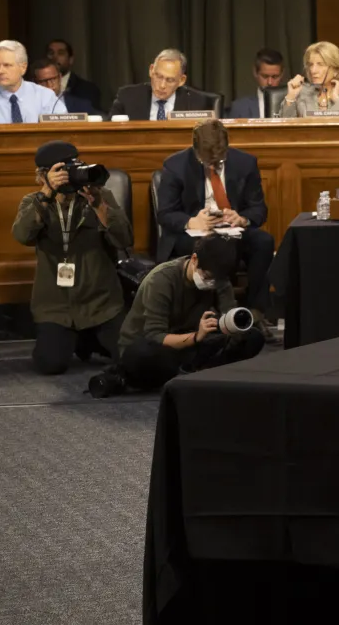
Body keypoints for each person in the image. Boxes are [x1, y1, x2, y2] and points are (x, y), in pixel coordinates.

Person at [12, 140, 132, 375]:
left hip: (101, 303)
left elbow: (125, 239)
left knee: (131, 358)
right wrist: (47, 194)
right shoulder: (34, 202)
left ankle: (88, 340)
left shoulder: (100, 196)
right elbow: (22, 235)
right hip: (57, 307)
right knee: (50, 364)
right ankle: (76, 340)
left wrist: (99, 206)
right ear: (42, 176)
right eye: (60, 172)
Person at [96, 234, 266, 395]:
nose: (211, 283)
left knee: (252, 337)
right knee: (145, 354)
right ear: (194, 260)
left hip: (189, 344)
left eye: (216, 280)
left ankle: (199, 373)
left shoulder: (218, 279)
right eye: (207, 276)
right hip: (153, 346)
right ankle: (188, 373)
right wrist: (196, 337)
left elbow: (229, 314)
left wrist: (234, 328)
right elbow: (155, 335)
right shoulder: (162, 279)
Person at [155, 119, 275, 327]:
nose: (214, 166)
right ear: (195, 151)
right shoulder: (175, 166)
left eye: (219, 161)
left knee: (264, 241)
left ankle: (256, 310)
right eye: (207, 162)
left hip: (232, 230)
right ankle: (220, 310)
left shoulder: (245, 163)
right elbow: (165, 213)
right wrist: (192, 221)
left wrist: (242, 218)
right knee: (214, 248)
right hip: (192, 235)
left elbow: (259, 209)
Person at [0, 40, 65, 123]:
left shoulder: (45, 96)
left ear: (23, 68)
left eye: (7, 65)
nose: (0, 71)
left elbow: (63, 130)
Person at [109, 48, 211, 119]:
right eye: (158, 76)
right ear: (151, 70)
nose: (162, 85)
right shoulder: (127, 97)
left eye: (170, 80)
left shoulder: (196, 103)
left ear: (182, 80)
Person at [279, 41, 339, 117]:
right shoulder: (301, 93)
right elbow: (283, 126)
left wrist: (337, 99)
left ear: (336, 70)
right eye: (311, 64)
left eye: (320, 64)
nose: (313, 70)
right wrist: (291, 96)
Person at [227, 49, 287, 119]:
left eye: (275, 77)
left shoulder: (292, 105)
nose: (270, 82)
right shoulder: (239, 107)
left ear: (282, 74)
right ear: (255, 72)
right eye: (265, 76)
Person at [46, 39, 102, 112]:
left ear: (71, 59)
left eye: (61, 53)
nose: (55, 57)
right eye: (51, 53)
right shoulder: (36, 87)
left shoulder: (88, 89)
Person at [32, 57, 98, 115]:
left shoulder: (83, 105)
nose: (50, 85)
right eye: (44, 81)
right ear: (35, 83)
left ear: (60, 77)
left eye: (53, 79)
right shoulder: (27, 106)